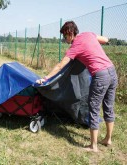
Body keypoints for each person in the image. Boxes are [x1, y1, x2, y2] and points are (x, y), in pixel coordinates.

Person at [36, 21, 118, 152]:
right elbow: (105, 39)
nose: (64, 39)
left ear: (70, 33)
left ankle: (93, 146)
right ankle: (108, 139)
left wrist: (46, 78)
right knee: (108, 106)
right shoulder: (88, 34)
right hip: (112, 71)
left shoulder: (75, 46)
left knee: (94, 108)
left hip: (100, 75)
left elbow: (60, 65)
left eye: (64, 36)